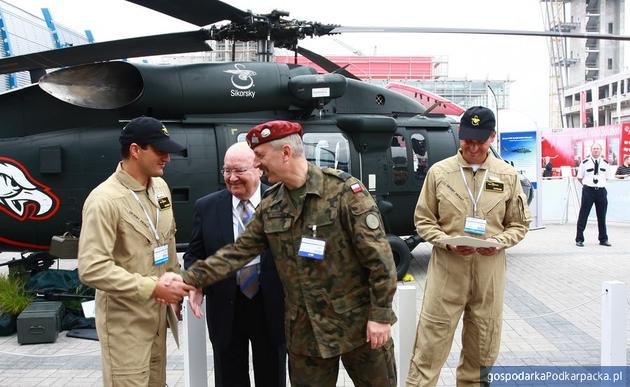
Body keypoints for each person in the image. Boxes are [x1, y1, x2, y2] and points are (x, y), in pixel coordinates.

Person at [181, 120, 398, 387]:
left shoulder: (344, 192)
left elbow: (380, 260)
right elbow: (237, 254)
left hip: (359, 327)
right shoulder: (272, 205)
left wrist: (381, 316)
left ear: (285, 153)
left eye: (260, 156)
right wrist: (189, 279)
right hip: (305, 336)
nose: (257, 164)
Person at [406, 106, 531, 387]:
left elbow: (519, 224)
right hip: (447, 273)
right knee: (429, 350)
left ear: (492, 138)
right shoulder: (440, 173)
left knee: (482, 351)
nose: (473, 147)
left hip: (488, 275)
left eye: (480, 141)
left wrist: (500, 242)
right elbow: (423, 220)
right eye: (467, 140)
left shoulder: (507, 175)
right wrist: (446, 242)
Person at [78, 116, 195, 386]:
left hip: (158, 315)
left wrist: (174, 284)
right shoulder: (104, 200)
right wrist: (152, 288)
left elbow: (166, 241)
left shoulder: (160, 188)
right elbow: (92, 268)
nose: (167, 158)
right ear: (135, 150)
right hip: (125, 323)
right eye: (159, 150)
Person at [183, 142, 286, 387]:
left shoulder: (282, 204)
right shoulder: (207, 207)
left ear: (259, 169)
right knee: (229, 378)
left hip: (270, 307)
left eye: (239, 170)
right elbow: (194, 255)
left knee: (272, 376)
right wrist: (195, 284)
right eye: (226, 171)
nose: (232, 178)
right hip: (226, 308)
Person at [575, 143, 611, 247]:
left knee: (602, 216)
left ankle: (603, 239)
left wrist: (599, 185)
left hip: (601, 191)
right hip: (588, 191)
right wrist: (587, 185)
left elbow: (606, 177)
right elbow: (580, 177)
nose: (596, 150)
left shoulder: (605, 163)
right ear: (591, 150)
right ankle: (579, 239)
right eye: (594, 148)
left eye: (598, 149)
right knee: (583, 215)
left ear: (601, 150)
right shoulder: (584, 162)